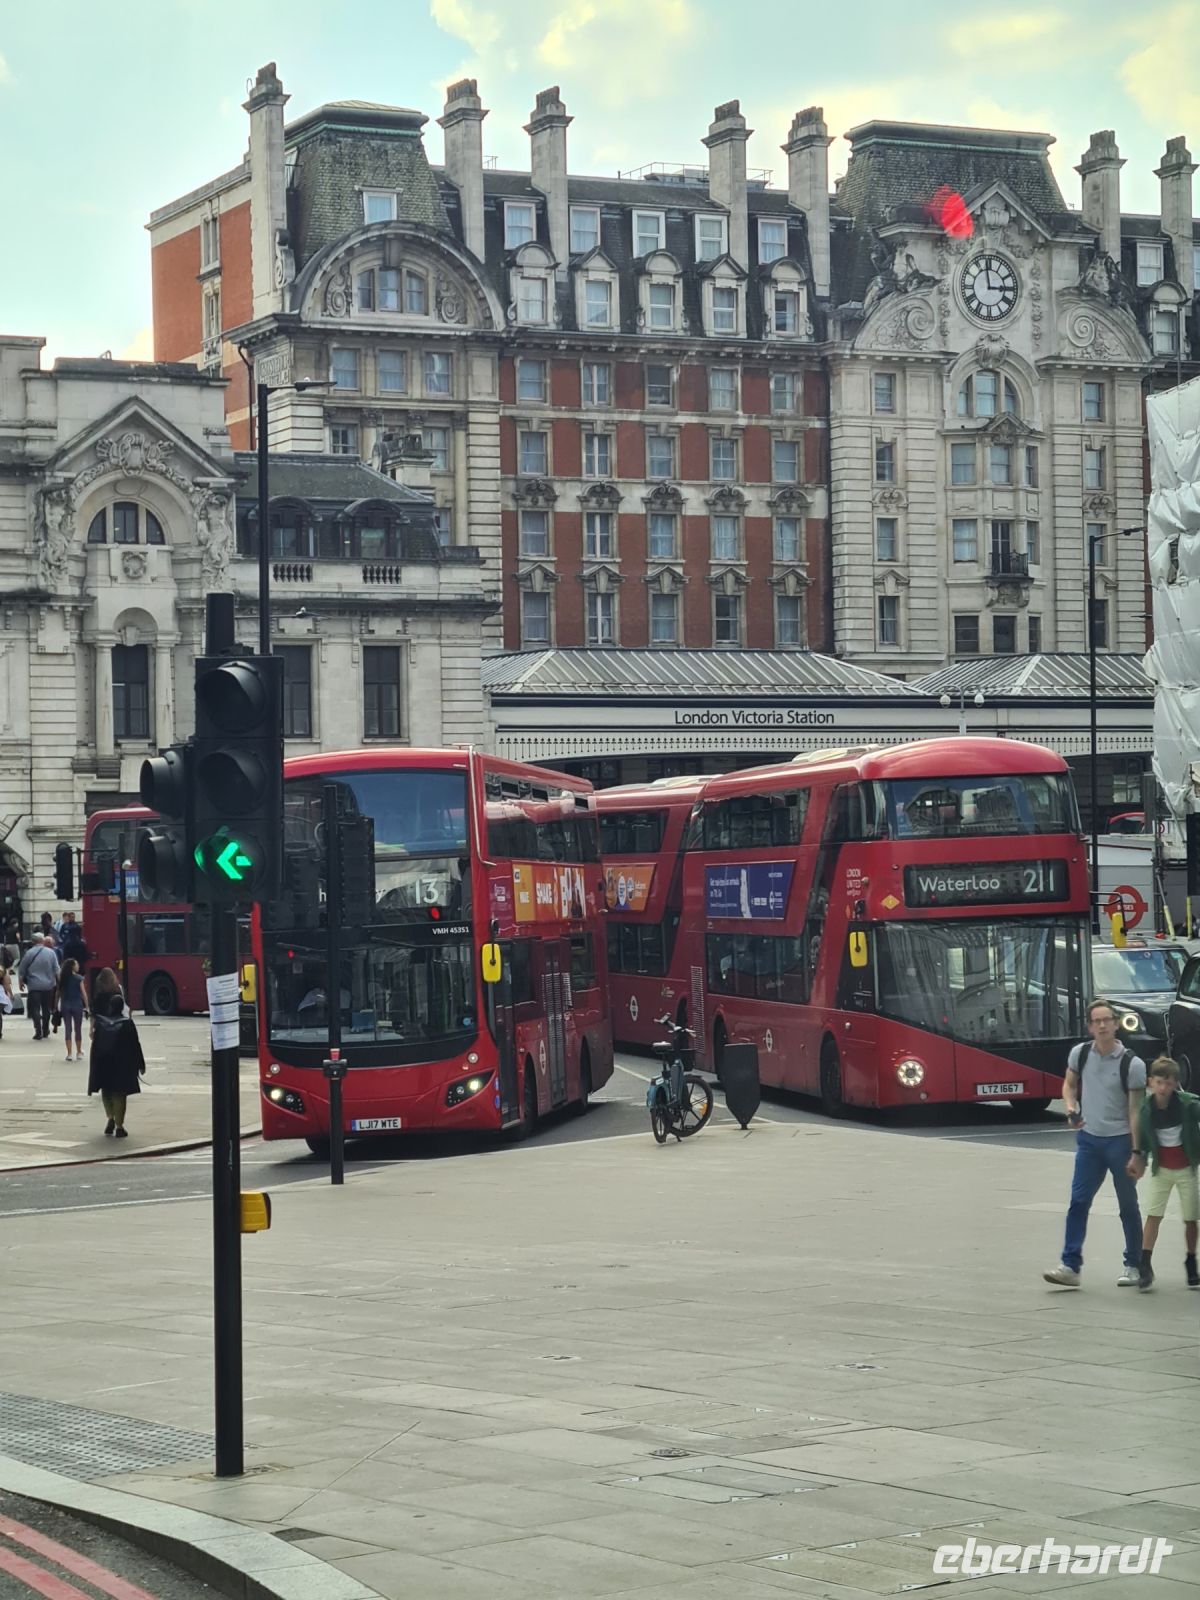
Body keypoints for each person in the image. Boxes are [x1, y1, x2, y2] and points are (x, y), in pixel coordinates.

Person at [1044, 999, 1146, 1288]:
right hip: (1089, 1140)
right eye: (1096, 1021)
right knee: (1078, 1201)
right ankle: (1070, 1265)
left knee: (1128, 1205)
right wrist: (1070, 1106)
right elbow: (1069, 1084)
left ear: (1116, 1024)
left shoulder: (1132, 1064)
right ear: (1090, 1027)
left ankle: (1134, 1264)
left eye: (1107, 1020)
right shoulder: (1081, 1054)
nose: (1102, 1025)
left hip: (1120, 1142)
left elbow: (1136, 1110)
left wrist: (1137, 1153)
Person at [1127, 1056, 1200, 1292]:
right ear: (1150, 1082)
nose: (1163, 1088)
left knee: (1190, 1218)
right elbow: (1141, 1133)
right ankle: (1145, 1264)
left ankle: (1190, 1259)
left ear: (1176, 1084)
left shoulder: (1187, 1104)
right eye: (1159, 1082)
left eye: (1168, 1083)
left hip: (1186, 1169)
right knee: (1153, 1214)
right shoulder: (1146, 1108)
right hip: (1162, 1169)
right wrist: (1137, 1156)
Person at [87, 967, 145, 1138]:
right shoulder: (126, 1023)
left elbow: (93, 1020)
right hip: (121, 1058)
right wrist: (140, 1064)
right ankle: (119, 1125)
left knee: (106, 1088)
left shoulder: (98, 1000)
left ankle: (110, 1117)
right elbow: (136, 1044)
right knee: (120, 1092)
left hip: (103, 1054)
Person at [17, 934, 60, 1041]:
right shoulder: (51, 953)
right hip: (48, 985)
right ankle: (45, 1029)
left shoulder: (29, 953)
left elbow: (22, 969)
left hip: (34, 985)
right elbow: (56, 969)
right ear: (42, 941)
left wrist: (20, 982)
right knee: (46, 1008)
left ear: (33, 942)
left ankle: (38, 1030)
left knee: (35, 1008)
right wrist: (59, 983)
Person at [54, 957, 88, 1063]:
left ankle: (69, 1053)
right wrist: (87, 1006)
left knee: (68, 1029)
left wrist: (55, 1006)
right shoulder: (79, 978)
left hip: (65, 1005)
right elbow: (83, 993)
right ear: (73, 966)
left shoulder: (62, 978)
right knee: (78, 1029)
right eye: (76, 964)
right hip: (77, 1005)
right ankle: (78, 1052)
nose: (78, 966)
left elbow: (57, 994)